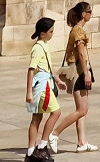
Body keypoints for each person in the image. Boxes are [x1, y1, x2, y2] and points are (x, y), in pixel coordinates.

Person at [55, 0, 98, 153]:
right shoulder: (78, 31)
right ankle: (55, 133)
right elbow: (80, 53)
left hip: (81, 70)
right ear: (83, 14)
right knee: (82, 110)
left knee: (82, 109)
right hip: (79, 71)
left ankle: (82, 142)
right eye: (90, 12)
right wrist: (86, 74)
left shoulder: (76, 29)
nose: (91, 14)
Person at [23, 14, 59, 162]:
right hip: (42, 86)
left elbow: (47, 67)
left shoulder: (43, 45)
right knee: (56, 112)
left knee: (37, 117)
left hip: (45, 83)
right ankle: (43, 144)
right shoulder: (38, 48)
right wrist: (29, 91)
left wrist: (57, 79)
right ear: (42, 33)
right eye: (50, 31)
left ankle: (31, 150)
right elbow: (31, 69)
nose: (52, 34)